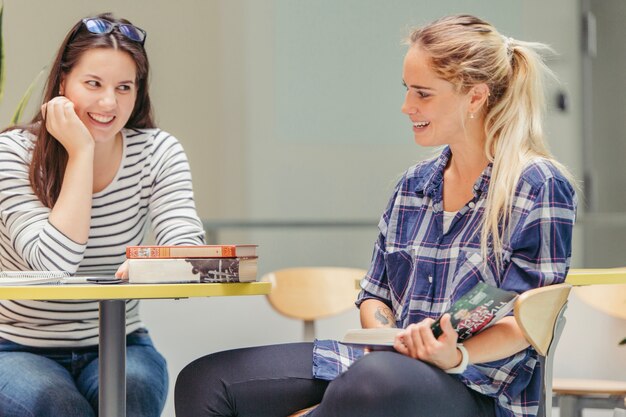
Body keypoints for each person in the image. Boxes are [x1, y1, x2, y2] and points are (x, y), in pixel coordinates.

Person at [174, 14, 577, 417]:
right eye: (407, 90)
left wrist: (452, 355)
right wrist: (392, 337)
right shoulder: (413, 185)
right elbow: (376, 296)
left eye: (422, 94)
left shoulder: (539, 184)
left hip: (474, 385)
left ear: (474, 97)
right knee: (204, 380)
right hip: (388, 363)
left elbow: (529, 320)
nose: (406, 107)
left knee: (375, 382)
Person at [0, 13, 205, 417]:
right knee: (56, 405)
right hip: (16, 346)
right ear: (63, 84)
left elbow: (186, 249)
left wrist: (158, 263)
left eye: (123, 87)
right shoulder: (12, 154)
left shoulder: (157, 153)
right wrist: (80, 152)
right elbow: (54, 264)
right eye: (93, 84)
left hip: (121, 341)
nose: (109, 103)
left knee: (134, 391)